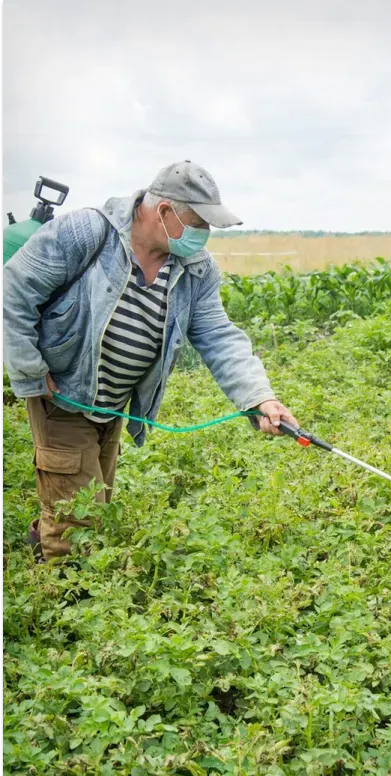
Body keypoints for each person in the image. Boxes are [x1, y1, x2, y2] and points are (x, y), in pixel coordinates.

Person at [2, 160, 297, 562]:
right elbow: (12, 292)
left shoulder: (194, 269)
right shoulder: (86, 233)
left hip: (113, 404)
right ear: (163, 212)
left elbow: (218, 336)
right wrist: (31, 371)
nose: (204, 236)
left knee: (94, 499)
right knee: (79, 522)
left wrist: (259, 398)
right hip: (63, 395)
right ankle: (62, 597)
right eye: (198, 223)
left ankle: (41, 541)